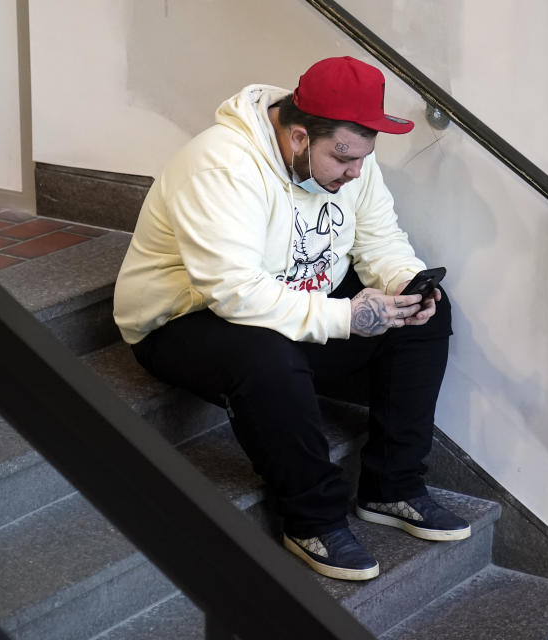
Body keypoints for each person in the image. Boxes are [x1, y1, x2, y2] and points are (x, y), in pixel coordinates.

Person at [113, 56, 468, 582]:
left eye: (362, 158)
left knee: (427, 315)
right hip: (185, 317)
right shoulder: (222, 165)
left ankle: (393, 488)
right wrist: (346, 316)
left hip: (297, 303)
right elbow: (235, 294)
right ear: (298, 137)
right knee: (266, 358)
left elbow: (380, 239)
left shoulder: (353, 161)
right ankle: (312, 519)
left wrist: (401, 284)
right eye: (343, 159)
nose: (354, 173)